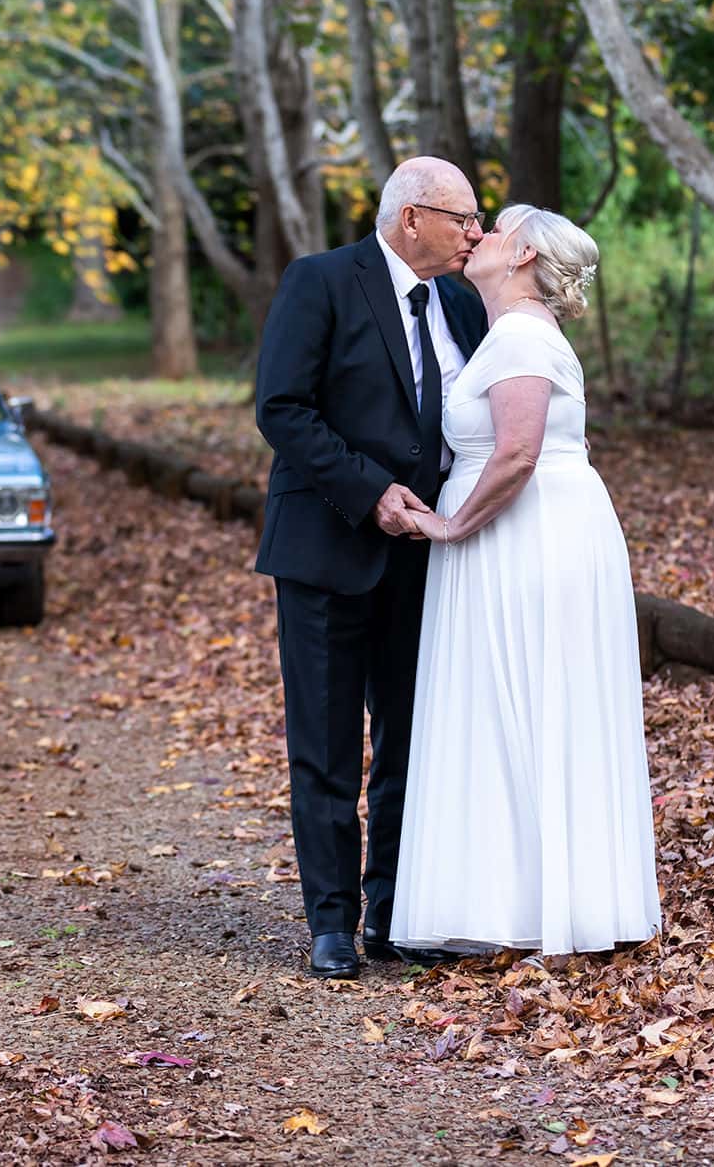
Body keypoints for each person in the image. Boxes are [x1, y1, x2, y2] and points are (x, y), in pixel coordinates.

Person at [390, 204, 661, 957]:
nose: (478, 237)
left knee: (525, 700)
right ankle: (519, 897)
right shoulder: (513, 333)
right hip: (521, 534)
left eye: (497, 230)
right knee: (511, 705)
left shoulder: (519, 336)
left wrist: (450, 526)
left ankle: (535, 906)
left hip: (524, 536)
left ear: (523, 259)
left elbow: (516, 453)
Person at [253, 156, 490, 979]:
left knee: (408, 741)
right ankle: (331, 921)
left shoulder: (462, 302)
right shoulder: (320, 282)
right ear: (411, 217)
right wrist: (371, 490)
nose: (475, 232)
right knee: (324, 740)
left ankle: (392, 908)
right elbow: (282, 407)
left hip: (427, 559)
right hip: (326, 548)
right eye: (462, 217)